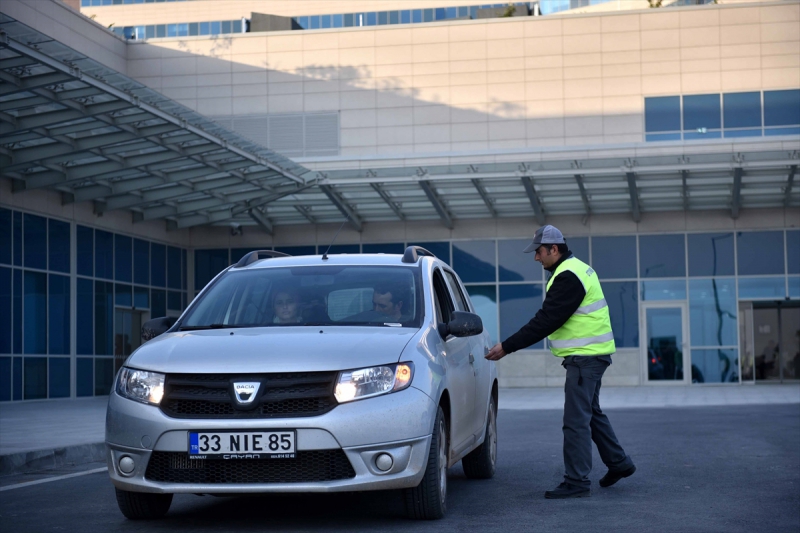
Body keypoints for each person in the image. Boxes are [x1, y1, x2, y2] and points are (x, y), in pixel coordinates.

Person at [485, 225, 635, 499]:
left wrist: (507, 346)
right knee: (590, 414)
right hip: (592, 356)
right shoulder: (576, 269)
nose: (536, 258)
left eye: (539, 252)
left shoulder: (568, 277)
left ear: (555, 249)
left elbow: (546, 320)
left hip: (584, 359)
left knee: (575, 421)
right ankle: (619, 463)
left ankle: (576, 481)